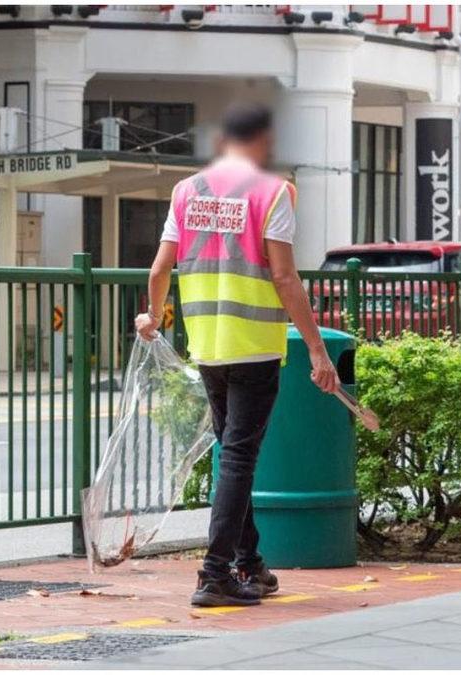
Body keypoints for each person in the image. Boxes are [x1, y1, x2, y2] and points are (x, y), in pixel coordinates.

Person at [135, 102, 340, 607]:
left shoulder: (188, 191)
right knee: (240, 458)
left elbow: (161, 268)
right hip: (254, 346)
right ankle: (214, 573)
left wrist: (153, 315)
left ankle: (250, 564)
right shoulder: (274, 192)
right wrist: (318, 350)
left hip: (207, 343)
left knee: (233, 454)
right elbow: (285, 276)